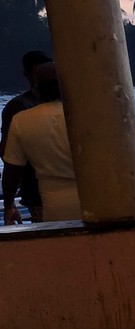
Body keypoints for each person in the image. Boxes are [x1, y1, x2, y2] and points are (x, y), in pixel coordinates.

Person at [3, 63, 81, 223]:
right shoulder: (88, 115)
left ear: (37, 89)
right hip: (100, 201)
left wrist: (9, 205)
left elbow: (12, 170)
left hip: (54, 207)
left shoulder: (21, 121)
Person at [1, 50, 51, 222]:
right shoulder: (18, 107)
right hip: (34, 189)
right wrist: (9, 202)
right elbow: (8, 154)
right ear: (27, 75)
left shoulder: (20, 107)